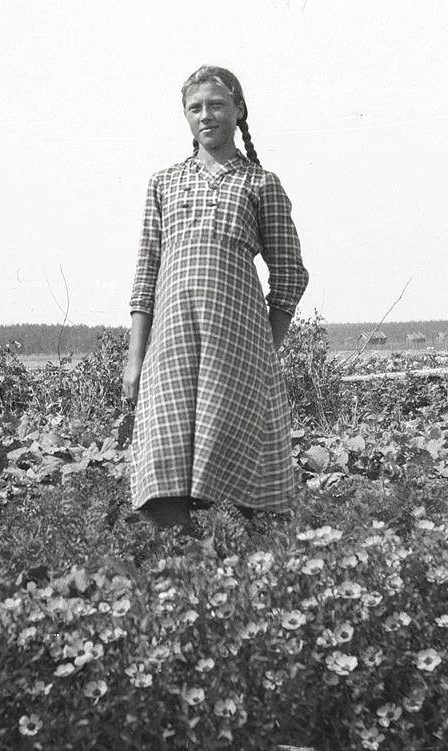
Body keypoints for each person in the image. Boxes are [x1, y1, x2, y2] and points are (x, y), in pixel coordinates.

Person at [123, 65, 309, 531]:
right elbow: (146, 272)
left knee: (228, 445)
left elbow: (289, 274)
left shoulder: (260, 183)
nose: (206, 115)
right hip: (171, 344)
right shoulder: (163, 183)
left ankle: (235, 562)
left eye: (217, 105)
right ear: (186, 117)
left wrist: (264, 347)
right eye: (195, 108)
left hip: (238, 349)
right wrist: (134, 359)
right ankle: (175, 563)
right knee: (166, 447)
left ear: (239, 111)